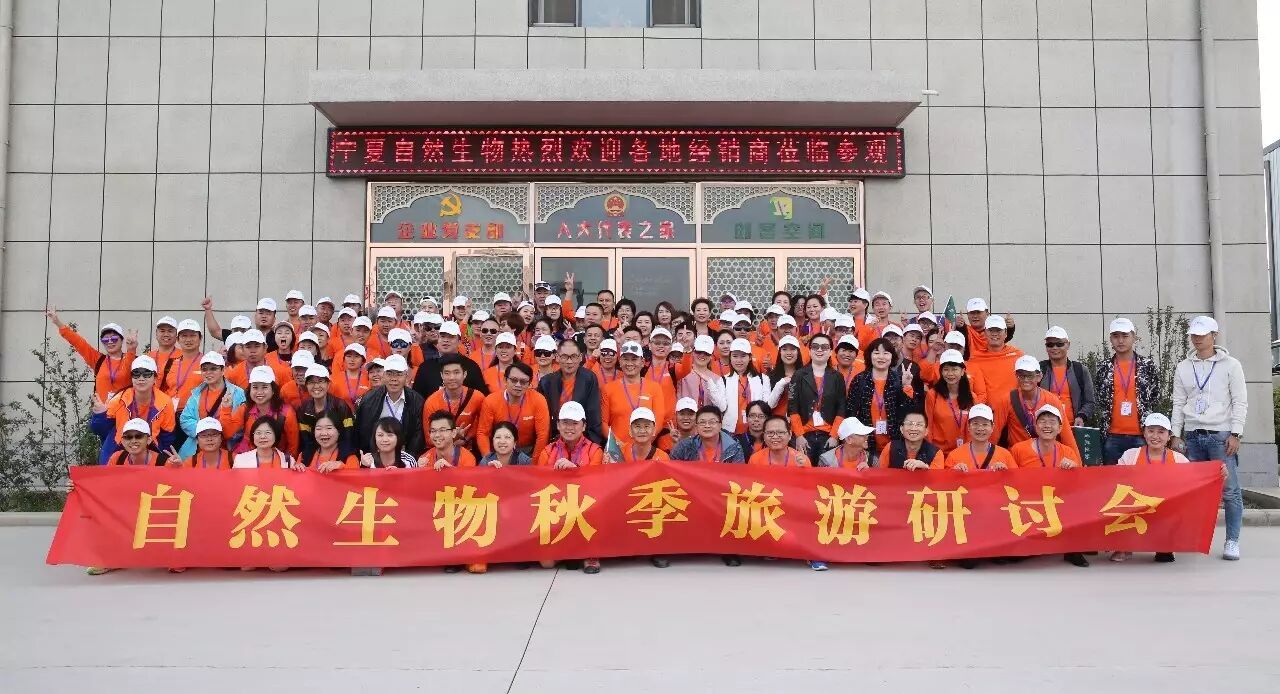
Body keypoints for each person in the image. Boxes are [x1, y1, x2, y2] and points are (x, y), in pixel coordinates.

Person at [1171, 315, 1248, 561]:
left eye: (1202, 334)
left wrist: (1236, 433)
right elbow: (1178, 402)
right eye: (1194, 335)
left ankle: (1232, 541)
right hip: (1192, 436)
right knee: (1192, 492)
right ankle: (1193, 537)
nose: (1197, 339)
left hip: (1221, 436)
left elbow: (1240, 401)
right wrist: (1175, 434)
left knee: (1230, 491)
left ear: (1214, 335)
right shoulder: (1184, 367)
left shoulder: (1231, 365)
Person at [1008, 404, 1089, 568]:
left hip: (1057, 501)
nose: (1047, 426)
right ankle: (1025, 546)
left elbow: (1079, 483)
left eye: (1052, 422)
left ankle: (1072, 549)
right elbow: (1008, 480)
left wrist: (1074, 469)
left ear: (1060, 428)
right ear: (1035, 426)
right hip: (1029, 502)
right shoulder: (1018, 449)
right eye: (1043, 421)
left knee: (1078, 501)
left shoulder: (1068, 452)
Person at [1111, 412, 1195, 564]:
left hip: (1165, 507)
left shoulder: (1179, 459)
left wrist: (1219, 473)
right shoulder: (1130, 455)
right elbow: (1114, 481)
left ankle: (1164, 545)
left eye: (1161, 432)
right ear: (1144, 433)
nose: (1155, 436)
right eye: (1151, 431)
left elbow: (1195, 482)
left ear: (1169, 436)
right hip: (1136, 504)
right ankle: (1123, 546)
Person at [536, 401, 606, 573]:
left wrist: (575, 470)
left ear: (584, 426)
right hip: (557, 510)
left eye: (574, 423)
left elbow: (598, 484)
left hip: (586, 510)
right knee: (546, 563)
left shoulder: (595, 451)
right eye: (565, 423)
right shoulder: (547, 452)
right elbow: (538, 485)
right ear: (558, 425)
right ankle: (568, 551)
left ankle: (590, 553)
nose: (569, 428)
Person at [89, 355, 177, 465]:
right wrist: (100, 414)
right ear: (131, 378)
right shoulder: (120, 399)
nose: (141, 378)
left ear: (155, 378)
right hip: (120, 446)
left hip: (150, 447)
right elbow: (98, 430)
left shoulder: (165, 402)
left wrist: (163, 460)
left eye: (147, 374)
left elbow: (168, 436)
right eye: (136, 374)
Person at [1094, 318, 1159, 465]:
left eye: (1125, 336)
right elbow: (1100, 398)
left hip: (1141, 435)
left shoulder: (1147, 365)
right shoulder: (1104, 367)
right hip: (1112, 435)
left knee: (1141, 478)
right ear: (1110, 339)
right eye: (1116, 336)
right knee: (1112, 477)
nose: (1120, 340)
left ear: (1134, 337)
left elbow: (1155, 396)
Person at [845, 338, 918, 457]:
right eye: (876, 353)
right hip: (865, 445)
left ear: (892, 356)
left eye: (886, 353)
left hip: (894, 444)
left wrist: (907, 386)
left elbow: (910, 412)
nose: (881, 357)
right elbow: (850, 411)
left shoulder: (898, 379)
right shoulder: (860, 380)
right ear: (870, 355)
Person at [993, 356, 1079, 454]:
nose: (1025, 379)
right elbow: (994, 434)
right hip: (1018, 457)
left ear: (1039, 377)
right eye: (1021, 375)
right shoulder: (1006, 400)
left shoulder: (1052, 400)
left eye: (1030, 376)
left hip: (1047, 456)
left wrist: (1076, 461)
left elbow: (1066, 435)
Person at [46, 309, 138, 399]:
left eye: (114, 338)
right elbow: (78, 342)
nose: (110, 342)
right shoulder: (98, 360)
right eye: (105, 339)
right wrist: (57, 322)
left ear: (122, 340)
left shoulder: (134, 360)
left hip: (124, 409)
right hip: (101, 409)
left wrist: (131, 350)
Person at [788, 333, 845, 465]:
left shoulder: (837, 377)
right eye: (815, 346)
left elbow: (841, 408)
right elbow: (792, 406)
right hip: (804, 435)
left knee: (825, 474)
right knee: (804, 472)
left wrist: (834, 435)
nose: (819, 350)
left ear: (830, 352)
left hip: (828, 436)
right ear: (809, 350)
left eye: (824, 347)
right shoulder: (798, 375)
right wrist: (799, 435)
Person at [355, 354, 426, 458]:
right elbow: (362, 431)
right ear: (383, 376)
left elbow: (418, 435)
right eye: (389, 374)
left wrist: (409, 458)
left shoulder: (417, 400)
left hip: (405, 457)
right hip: (376, 457)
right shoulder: (368, 399)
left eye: (399, 374)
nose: (394, 379)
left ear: (406, 376)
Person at [178, 351, 246, 458]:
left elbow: (242, 423)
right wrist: (206, 432)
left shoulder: (238, 393)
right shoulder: (196, 394)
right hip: (198, 448)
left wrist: (219, 434)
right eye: (204, 369)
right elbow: (185, 420)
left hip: (228, 447)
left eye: (213, 369)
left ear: (223, 370)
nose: (208, 372)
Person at [602, 341, 668, 450]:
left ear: (642, 362)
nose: (629, 363)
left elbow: (658, 422)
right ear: (620, 361)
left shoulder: (654, 388)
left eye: (634, 359)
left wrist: (642, 445)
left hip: (644, 450)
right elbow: (603, 423)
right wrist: (618, 445)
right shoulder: (608, 389)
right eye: (626, 359)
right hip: (617, 450)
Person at [476, 362, 551, 457]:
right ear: (505, 380)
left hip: (527, 450)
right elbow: (483, 433)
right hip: (498, 448)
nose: (518, 385)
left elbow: (543, 434)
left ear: (529, 384)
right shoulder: (491, 401)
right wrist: (488, 458)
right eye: (514, 380)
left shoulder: (538, 399)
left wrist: (534, 461)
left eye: (523, 382)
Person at [539, 338, 604, 445]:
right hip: (555, 439)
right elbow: (543, 420)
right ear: (557, 357)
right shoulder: (547, 382)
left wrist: (592, 444)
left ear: (580, 357)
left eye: (573, 356)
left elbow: (594, 415)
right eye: (564, 356)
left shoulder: (589, 378)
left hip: (582, 439)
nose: (569, 361)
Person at [423, 355, 485, 453]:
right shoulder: (431, 402)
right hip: (441, 452)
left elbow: (482, 429)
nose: (452, 377)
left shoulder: (477, 397)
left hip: (470, 450)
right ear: (441, 375)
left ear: (464, 374)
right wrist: (453, 440)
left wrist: (465, 439)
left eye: (456, 372)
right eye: (447, 373)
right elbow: (429, 438)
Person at [236, 365, 300, 456]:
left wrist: (286, 462)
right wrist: (226, 408)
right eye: (255, 387)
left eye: (264, 387)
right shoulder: (245, 409)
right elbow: (228, 433)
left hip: (277, 460)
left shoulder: (286, 413)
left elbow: (293, 447)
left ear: (273, 390)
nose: (259, 392)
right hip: (249, 458)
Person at [296, 364, 357, 459]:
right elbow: (306, 438)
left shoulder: (340, 405)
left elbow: (349, 435)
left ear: (328, 384)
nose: (316, 386)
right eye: (311, 382)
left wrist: (341, 459)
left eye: (320, 381)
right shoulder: (303, 408)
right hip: (315, 455)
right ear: (306, 385)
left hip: (340, 454)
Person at [1039, 326, 1096, 426]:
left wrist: (1081, 416)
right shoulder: (1039, 369)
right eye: (1050, 345)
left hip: (1072, 428)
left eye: (1059, 344)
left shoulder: (1080, 370)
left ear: (1068, 345)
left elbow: (1089, 401)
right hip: (1046, 428)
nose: (1054, 348)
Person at [924, 350, 977, 454]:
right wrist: (930, 452)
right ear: (941, 372)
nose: (950, 374)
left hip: (962, 453)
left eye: (954, 369)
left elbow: (973, 427)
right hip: (938, 452)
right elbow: (928, 425)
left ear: (962, 371)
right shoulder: (933, 395)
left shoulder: (972, 397)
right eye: (946, 369)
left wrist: (968, 452)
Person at [723, 338, 778, 436]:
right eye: (735, 356)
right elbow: (721, 407)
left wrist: (780, 385)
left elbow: (768, 405)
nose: (739, 360)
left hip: (757, 431)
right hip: (730, 432)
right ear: (730, 357)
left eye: (743, 356)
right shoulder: (723, 380)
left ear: (750, 357)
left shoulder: (763, 379)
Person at [938, 404, 1015, 472]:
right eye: (975, 424)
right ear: (968, 426)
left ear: (992, 427)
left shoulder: (1005, 456)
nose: (980, 428)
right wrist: (954, 472)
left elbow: (1015, 479)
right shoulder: (954, 456)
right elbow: (946, 481)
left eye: (985, 424)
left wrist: (1005, 473)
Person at [670, 406, 745, 463]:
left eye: (712, 422)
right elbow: (672, 467)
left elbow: (738, 475)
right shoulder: (685, 446)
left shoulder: (734, 449)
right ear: (696, 426)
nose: (707, 426)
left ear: (720, 425)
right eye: (702, 422)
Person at [877, 409, 943, 469]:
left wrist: (925, 468)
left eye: (919, 424)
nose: (913, 429)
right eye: (909, 424)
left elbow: (937, 478)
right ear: (901, 429)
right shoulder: (891, 447)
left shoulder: (936, 453)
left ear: (926, 431)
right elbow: (880, 474)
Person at [676, 335, 728, 412]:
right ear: (693, 352)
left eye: (706, 353)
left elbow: (722, 407)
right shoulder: (683, 373)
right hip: (686, 417)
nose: (702, 355)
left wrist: (710, 382)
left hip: (708, 418)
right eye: (699, 351)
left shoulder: (717, 379)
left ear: (711, 356)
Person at [233, 416, 303, 469]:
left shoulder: (288, 460)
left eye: (268, 432)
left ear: (276, 435)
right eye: (258, 433)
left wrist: (298, 469)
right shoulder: (240, 460)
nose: (262, 436)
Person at [168, 417, 234, 469]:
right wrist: (179, 468)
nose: (209, 439)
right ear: (197, 440)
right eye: (204, 435)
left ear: (221, 438)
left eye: (214, 434)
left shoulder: (234, 460)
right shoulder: (191, 462)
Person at [766, 335, 802, 414]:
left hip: (799, 420)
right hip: (776, 420)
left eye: (793, 349)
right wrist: (781, 383)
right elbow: (768, 406)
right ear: (780, 352)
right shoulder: (770, 377)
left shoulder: (805, 375)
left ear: (798, 352)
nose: (788, 353)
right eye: (784, 349)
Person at [330, 343, 371, 409]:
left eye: (356, 356)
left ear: (363, 361)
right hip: (341, 414)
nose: (352, 359)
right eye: (349, 356)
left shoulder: (369, 378)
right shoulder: (334, 378)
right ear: (344, 359)